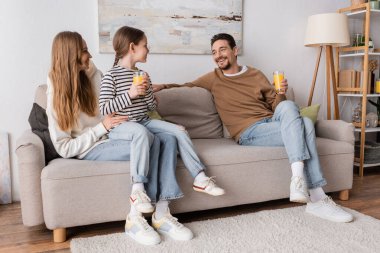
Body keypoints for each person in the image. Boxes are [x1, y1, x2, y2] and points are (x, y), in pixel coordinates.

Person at [154, 33, 354, 223]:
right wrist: (162, 87)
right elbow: (185, 85)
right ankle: (317, 196)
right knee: (307, 124)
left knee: (291, 107)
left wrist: (281, 93)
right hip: (248, 132)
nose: (218, 56)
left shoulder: (256, 74)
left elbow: (277, 106)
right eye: (214, 52)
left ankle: (299, 181)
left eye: (222, 50)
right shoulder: (213, 78)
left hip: (271, 122)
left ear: (235, 50)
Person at [46, 31, 193, 246]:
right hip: (91, 146)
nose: (90, 56)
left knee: (167, 139)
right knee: (147, 138)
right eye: (85, 50)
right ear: (70, 55)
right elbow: (65, 148)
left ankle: (162, 213)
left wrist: (146, 91)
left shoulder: (92, 74)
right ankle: (134, 219)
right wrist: (100, 128)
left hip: (112, 135)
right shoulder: (55, 93)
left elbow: (114, 97)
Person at [99, 26, 225, 197]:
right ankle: (138, 188)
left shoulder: (143, 74)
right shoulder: (111, 76)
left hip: (144, 120)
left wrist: (150, 95)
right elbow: (104, 108)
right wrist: (130, 94)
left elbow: (150, 108)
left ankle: (200, 178)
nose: (148, 49)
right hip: (122, 125)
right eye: (145, 45)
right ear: (132, 47)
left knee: (179, 130)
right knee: (140, 131)